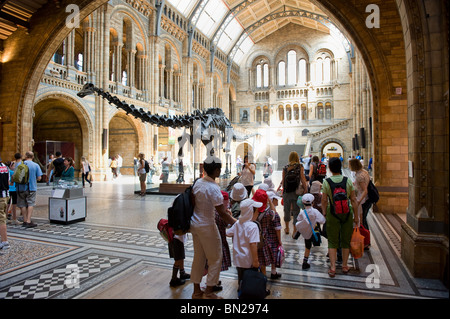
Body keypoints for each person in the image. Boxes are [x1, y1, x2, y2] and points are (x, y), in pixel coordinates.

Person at [190, 156, 236, 299]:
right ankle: (209, 292)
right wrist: (238, 224)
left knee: (199, 257)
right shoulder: (213, 187)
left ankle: (197, 291)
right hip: (207, 226)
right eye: (219, 169)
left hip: (195, 225)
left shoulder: (198, 183)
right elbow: (222, 212)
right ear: (216, 170)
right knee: (216, 257)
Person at [321, 157, 358, 277]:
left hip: (332, 213)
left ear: (330, 168)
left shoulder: (327, 182)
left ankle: (332, 267)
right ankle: (345, 265)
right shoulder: (347, 181)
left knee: (332, 241)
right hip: (347, 213)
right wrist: (356, 217)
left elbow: (324, 200)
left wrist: (324, 213)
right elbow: (353, 199)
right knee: (345, 240)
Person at [226, 198, 261, 289]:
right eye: (257, 211)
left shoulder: (238, 223)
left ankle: (240, 292)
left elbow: (228, 233)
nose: (258, 213)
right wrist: (255, 261)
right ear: (250, 212)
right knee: (249, 282)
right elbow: (253, 245)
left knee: (241, 279)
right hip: (248, 260)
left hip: (238, 259)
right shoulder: (253, 226)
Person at [253, 189, 282, 279]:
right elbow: (277, 227)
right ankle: (273, 272)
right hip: (271, 239)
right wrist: (279, 240)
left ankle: (263, 279)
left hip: (258, 240)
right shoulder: (271, 213)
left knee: (262, 261)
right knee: (273, 255)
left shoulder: (253, 212)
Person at [279, 151, 308, 236]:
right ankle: (295, 230)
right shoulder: (300, 166)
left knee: (286, 210)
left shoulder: (285, 167)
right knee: (296, 211)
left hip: (287, 192)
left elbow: (284, 180)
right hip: (296, 191)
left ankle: (287, 228)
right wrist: (305, 188)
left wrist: (284, 190)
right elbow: (302, 178)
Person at [295, 193, 326, 270]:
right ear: (313, 203)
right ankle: (306, 261)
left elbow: (298, 220)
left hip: (306, 232)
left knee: (307, 246)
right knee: (313, 243)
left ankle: (305, 261)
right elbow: (322, 220)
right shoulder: (315, 211)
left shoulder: (302, 212)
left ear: (303, 203)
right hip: (313, 231)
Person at [17, 151, 43, 228]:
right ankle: (28, 220)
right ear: (33, 157)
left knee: (22, 204)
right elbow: (39, 178)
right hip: (31, 187)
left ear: (26, 156)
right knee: (30, 203)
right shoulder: (35, 165)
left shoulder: (19, 164)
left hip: (20, 187)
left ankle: (24, 220)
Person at [349, 158, 372, 236]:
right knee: (363, 220)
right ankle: (365, 239)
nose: (349, 166)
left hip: (362, 199)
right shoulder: (364, 172)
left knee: (361, 220)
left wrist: (359, 201)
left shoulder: (359, 176)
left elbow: (365, 190)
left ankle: (364, 239)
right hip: (365, 199)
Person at [0, 156, 11, 250]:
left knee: (1, 219)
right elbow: (8, 181)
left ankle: (5, 241)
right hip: (5, 195)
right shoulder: (5, 167)